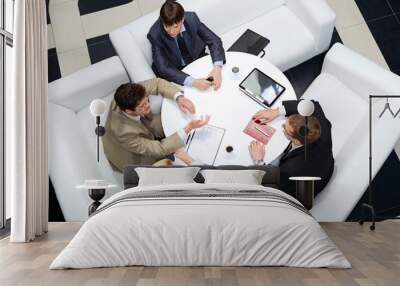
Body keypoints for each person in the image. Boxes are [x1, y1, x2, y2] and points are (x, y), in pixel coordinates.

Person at [102, 78, 210, 171]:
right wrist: (188, 128)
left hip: (142, 126)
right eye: (142, 106)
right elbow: (159, 149)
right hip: (133, 157)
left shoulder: (131, 94)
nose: (148, 105)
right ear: (129, 111)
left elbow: (157, 83)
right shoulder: (123, 133)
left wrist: (179, 98)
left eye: (146, 101)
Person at [248, 100, 334, 198]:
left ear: (296, 141)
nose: (282, 126)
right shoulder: (322, 128)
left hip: (297, 191)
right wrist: (276, 112)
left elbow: (271, 184)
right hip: (323, 166)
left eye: (285, 129)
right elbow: (313, 105)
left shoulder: (291, 169)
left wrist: (258, 160)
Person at [147, 0, 226, 91]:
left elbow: (214, 40)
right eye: (167, 26)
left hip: (196, 59)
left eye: (175, 27)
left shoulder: (191, 18)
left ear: (182, 20)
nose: (171, 32)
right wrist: (193, 82)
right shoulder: (154, 34)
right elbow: (163, 68)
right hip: (175, 71)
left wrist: (217, 68)